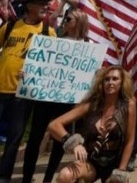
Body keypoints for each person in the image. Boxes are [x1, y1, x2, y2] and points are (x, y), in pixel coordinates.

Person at [22, 9, 90, 183]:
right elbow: (40, 64)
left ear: (80, 22)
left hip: (68, 102)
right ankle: (27, 178)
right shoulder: (54, 42)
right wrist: (28, 72)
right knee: (34, 138)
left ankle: (48, 178)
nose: (64, 22)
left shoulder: (89, 46)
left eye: (69, 19)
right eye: (65, 19)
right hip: (46, 97)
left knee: (61, 140)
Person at [0, 0, 56, 183]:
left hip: (22, 95)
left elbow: (51, 65)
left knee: (13, 140)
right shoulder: (10, 27)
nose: (46, 7)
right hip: (0, 89)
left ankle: (4, 176)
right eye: (41, 3)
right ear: (30, 6)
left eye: (46, 3)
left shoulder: (49, 32)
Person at [47, 66, 137, 183]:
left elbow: (130, 141)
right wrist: (74, 144)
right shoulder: (91, 105)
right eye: (107, 79)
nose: (110, 82)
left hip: (115, 164)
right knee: (65, 175)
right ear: (101, 82)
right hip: (90, 162)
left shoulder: (128, 105)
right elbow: (53, 125)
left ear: (122, 82)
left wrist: (121, 170)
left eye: (115, 79)